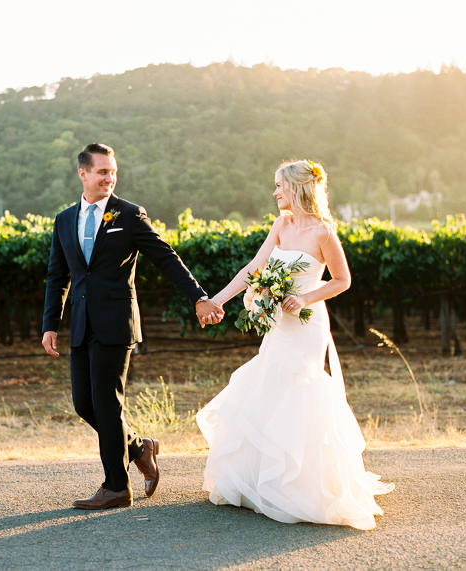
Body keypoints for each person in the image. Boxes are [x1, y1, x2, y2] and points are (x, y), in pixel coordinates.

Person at [196, 159, 394, 530]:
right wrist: (217, 300)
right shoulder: (282, 224)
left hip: (306, 324)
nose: (274, 193)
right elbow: (254, 269)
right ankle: (262, 481)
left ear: (297, 188)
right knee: (268, 384)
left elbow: (342, 280)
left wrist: (305, 298)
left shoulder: (322, 232)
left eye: (278, 186)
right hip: (279, 325)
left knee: (300, 391)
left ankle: (304, 485)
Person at [42, 143, 224, 510]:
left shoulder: (129, 214)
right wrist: (50, 324)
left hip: (116, 323)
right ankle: (141, 448)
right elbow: (57, 276)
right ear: (83, 173)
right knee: (84, 404)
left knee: (107, 404)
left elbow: (166, 257)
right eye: (101, 172)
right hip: (80, 324)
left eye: (113, 172)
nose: (109, 178)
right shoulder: (64, 220)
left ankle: (115, 487)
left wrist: (199, 297)